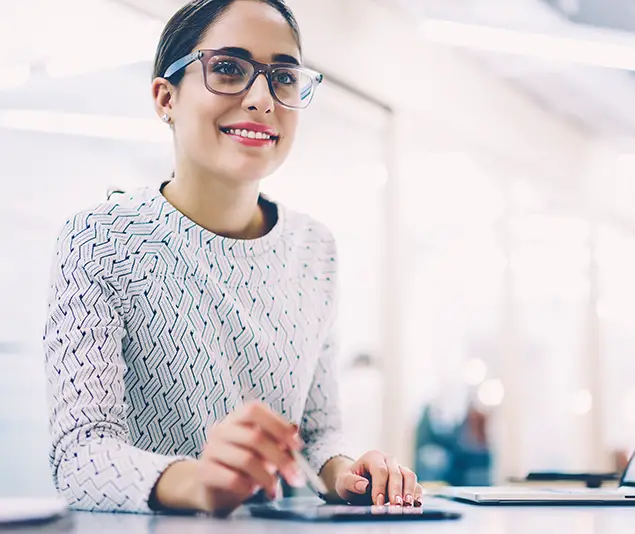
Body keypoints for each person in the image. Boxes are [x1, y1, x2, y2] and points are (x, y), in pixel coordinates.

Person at [42, 0, 422, 516]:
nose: (263, 99)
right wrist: (201, 482)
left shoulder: (315, 248)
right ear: (165, 97)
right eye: (227, 68)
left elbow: (316, 434)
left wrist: (345, 472)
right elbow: (80, 456)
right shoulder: (99, 238)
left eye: (284, 77)